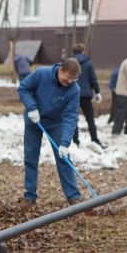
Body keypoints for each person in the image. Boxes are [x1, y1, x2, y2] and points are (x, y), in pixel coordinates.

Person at [18, 58, 82, 206]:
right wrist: (31, 107)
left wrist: (65, 143)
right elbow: (23, 88)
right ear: (60, 70)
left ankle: (73, 196)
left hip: (55, 123)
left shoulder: (74, 89)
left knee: (64, 158)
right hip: (35, 121)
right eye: (68, 77)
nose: (70, 81)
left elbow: (72, 116)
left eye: (74, 79)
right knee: (31, 157)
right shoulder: (41, 74)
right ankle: (30, 195)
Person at [70, 43, 105, 148]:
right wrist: (97, 92)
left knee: (73, 119)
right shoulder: (88, 63)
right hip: (86, 95)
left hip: (73, 95)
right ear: (83, 51)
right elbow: (93, 79)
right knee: (90, 119)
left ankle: (75, 141)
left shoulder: (69, 63)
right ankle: (95, 139)